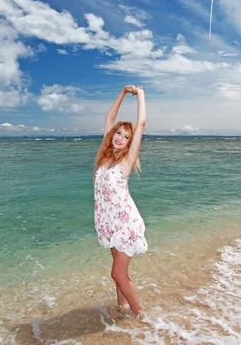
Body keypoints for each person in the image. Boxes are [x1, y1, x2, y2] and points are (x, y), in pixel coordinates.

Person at [93, 85, 148, 317]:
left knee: (117, 274)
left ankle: (140, 315)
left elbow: (142, 123)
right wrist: (123, 93)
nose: (120, 138)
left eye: (126, 137)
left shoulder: (126, 163)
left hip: (126, 225)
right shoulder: (104, 158)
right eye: (118, 133)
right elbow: (109, 117)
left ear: (129, 144)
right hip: (109, 224)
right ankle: (122, 308)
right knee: (121, 275)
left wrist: (140, 94)